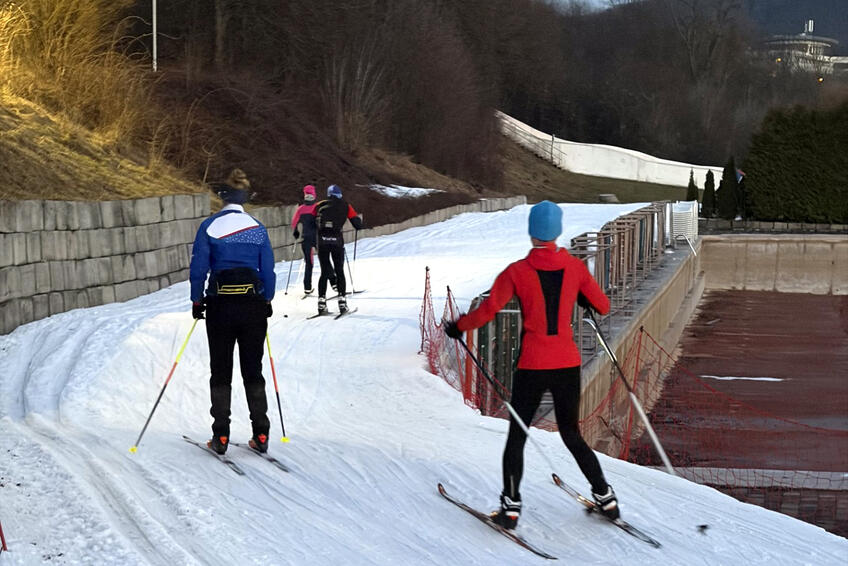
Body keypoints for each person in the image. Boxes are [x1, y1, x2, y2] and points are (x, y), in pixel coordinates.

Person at [444, 200, 618, 530]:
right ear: (557, 231)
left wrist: (459, 327)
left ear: (531, 231)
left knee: (517, 435)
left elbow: (488, 311)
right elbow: (604, 306)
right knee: (571, 434)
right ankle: (606, 498)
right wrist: (581, 296)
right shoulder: (576, 268)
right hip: (567, 363)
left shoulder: (516, 272)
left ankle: (510, 508)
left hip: (533, 366)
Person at [189, 168, 276, 455]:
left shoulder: (210, 227)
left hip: (220, 307)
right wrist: (267, 299)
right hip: (253, 306)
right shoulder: (257, 228)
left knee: (221, 371)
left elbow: (199, 267)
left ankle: (221, 436)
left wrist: (196, 300)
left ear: (223, 198)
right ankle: (261, 434)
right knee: (254, 371)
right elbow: (268, 271)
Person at [314, 184, 362, 315]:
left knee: (324, 272)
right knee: (339, 271)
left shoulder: (319, 205)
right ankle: (342, 303)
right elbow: (357, 224)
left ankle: (321, 303)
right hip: (337, 242)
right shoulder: (346, 206)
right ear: (339, 194)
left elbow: (311, 222)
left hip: (322, 241)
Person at [290, 184, 328, 295]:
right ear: (314, 194)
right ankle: (334, 284)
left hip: (305, 238)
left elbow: (294, 223)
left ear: (305, 194)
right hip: (317, 238)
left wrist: (296, 231)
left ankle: (307, 287)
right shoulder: (317, 207)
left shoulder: (300, 209)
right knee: (324, 261)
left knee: (309, 263)